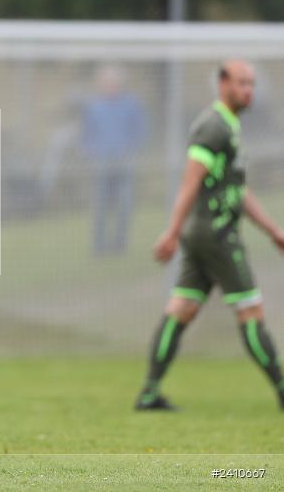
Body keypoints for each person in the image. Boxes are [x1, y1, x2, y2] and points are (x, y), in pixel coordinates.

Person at [135, 60, 284, 411]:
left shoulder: (230, 126)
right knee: (251, 310)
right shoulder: (212, 127)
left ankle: (149, 393)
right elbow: (190, 183)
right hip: (216, 234)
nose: (248, 90)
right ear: (223, 84)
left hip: (203, 235)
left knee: (181, 308)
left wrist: (272, 230)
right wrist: (171, 232)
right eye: (241, 83)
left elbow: (239, 191)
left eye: (251, 84)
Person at [80, 65, 147, 255]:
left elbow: (140, 130)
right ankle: (99, 246)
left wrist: (132, 149)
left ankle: (120, 245)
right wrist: (90, 153)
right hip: (101, 161)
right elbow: (86, 135)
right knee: (100, 205)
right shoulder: (94, 107)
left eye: (113, 82)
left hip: (124, 161)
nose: (110, 86)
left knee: (125, 204)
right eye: (106, 82)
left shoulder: (131, 105)